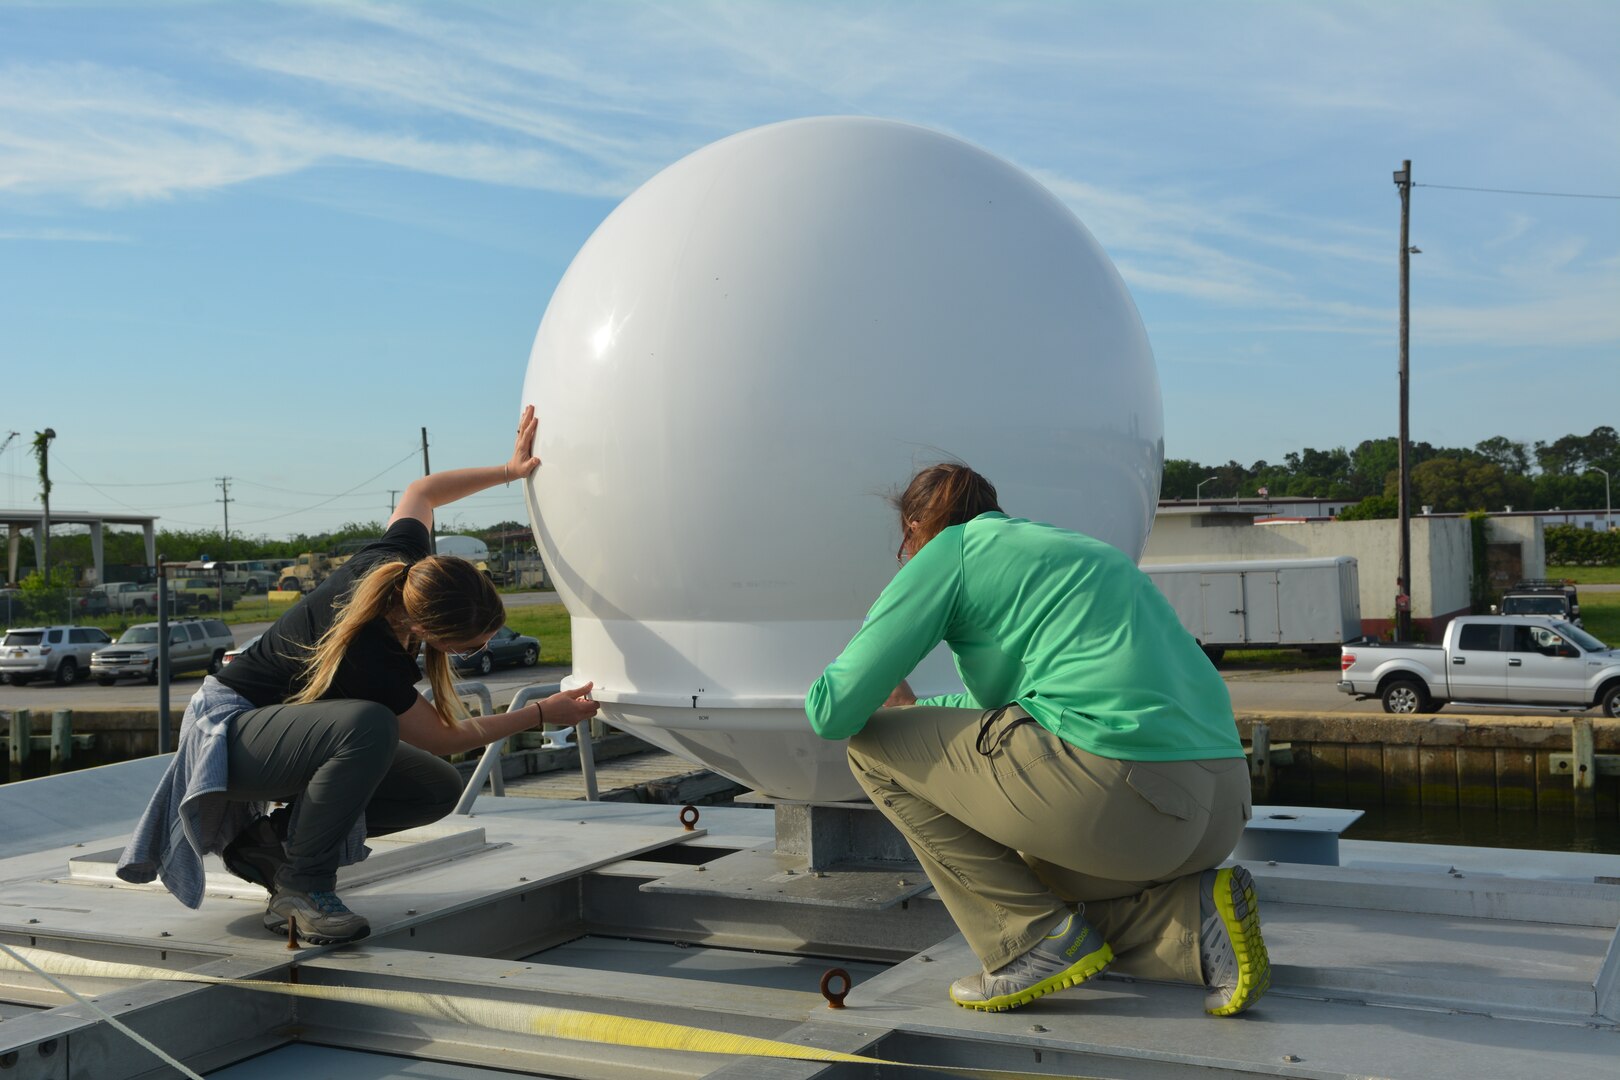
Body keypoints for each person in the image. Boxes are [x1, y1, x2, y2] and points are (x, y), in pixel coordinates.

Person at [119, 406, 598, 944]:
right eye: (471, 645)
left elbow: (423, 491)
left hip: (284, 730)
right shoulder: (370, 650)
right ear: (423, 625)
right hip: (229, 732)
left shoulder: (404, 563)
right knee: (368, 725)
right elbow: (442, 737)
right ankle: (303, 886)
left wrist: (510, 472)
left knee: (434, 788)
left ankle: (268, 846)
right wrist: (538, 713)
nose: (482, 650)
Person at [806, 463, 1268, 1015]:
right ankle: (1192, 921)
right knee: (1033, 880)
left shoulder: (949, 550)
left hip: (1118, 796)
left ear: (914, 526)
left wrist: (836, 686)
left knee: (873, 749)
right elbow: (1002, 713)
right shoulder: (1078, 553)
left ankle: (1025, 942)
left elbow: (834, 713)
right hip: (1221, 809)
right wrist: (920, 709)